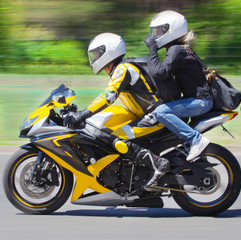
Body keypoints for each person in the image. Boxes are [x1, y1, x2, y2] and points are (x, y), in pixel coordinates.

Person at [63, 33, 169, 190]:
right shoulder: (120, 69)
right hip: (141, 112)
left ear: (109, 51)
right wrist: (82, 113)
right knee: (100, 125)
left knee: (117, 137)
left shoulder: (123, 69)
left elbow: (107, 98)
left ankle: (158, 164)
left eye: (98, 53)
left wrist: (82, 114)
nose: (95, 57)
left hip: (155, 114)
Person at [144, 10, 214, 160]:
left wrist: (152, 49)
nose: (155, 36)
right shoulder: (181, 48)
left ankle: (195, 140)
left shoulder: (176, 49)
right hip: (198, 100)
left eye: (158, 31)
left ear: (170, 30)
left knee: (161, 112)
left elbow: (160, 72)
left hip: (200, 101)